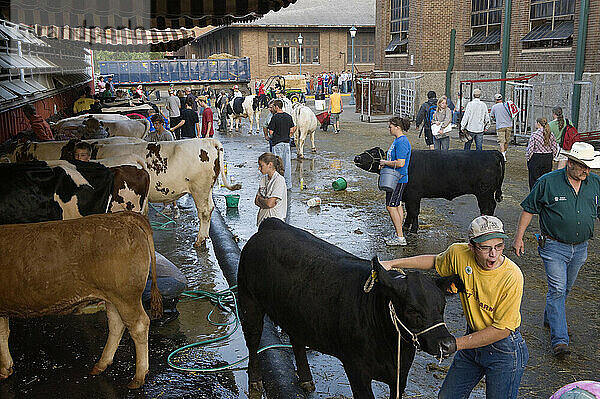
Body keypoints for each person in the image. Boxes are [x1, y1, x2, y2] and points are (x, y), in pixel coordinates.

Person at [381, 215, 528, 399]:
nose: (494, 254)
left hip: (503, 350)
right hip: (472, 341)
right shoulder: (459, 254)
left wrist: (456, 344)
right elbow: (435, 262)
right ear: (471, 246)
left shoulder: (512, 276)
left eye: (498, 246)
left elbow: (502, 329)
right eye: (485, 248)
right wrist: (392, 263)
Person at [512, 142, 600, 358]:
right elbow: (528, 209)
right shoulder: (547, 182)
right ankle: (560, 340)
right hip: (553, 246)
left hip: (580, 247)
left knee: (565, 289)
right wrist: (519, 238)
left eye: (589, 167)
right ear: (570, 163)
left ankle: (550, 316)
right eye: (582, 167)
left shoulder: (595, 183)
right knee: (558, 289)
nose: (586, 171)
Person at [379, 116, 411, 246]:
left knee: (391, 206)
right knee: (397, 205)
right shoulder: (398, 140)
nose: (389, 129)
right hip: (397, 178)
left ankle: (400, 237)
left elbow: (401, 163)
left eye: (390, 126)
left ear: (397, 127)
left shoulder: (401, 142)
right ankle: (398, 233)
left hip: (397, 178)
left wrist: (385, 162)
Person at [267, 99, 296, 189]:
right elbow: (293, 128)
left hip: (277, 143)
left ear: (277, 107)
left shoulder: (274, 118)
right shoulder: (288, 116)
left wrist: (270, 136)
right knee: (287, 164)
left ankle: (278, 184)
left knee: (277, 165)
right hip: (287, 143)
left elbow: (271, 132)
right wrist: (289, 135)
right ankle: (288, 185)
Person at [526, 117, 559, 190]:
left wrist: (528, 158)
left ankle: (534, 196)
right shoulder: (551, 134)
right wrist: (552, 157)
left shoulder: (534, 135)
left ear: (538, 124)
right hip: (547, 158)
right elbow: (555, 148)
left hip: (536, 158)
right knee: (545, 179)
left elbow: (530, 149)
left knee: (534, 180)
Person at [255, 152, 288, 226]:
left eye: (261, 166)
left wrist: (261, 200)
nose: (259, 168)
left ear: (270, 165)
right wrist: (265, 201)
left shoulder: (279, 180)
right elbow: (256, 201)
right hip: (262, 221)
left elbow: (270, 204)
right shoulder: (263, 179)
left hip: (275, 223)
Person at [490, 93, 513, 161]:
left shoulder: (494, 107)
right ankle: (504, 153)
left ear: (496, 100)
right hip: (508, 125)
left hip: (500, 126)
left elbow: (492, 116)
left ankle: (503, 155)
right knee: (507, 141)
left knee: (501, 141)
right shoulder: (507, 105)